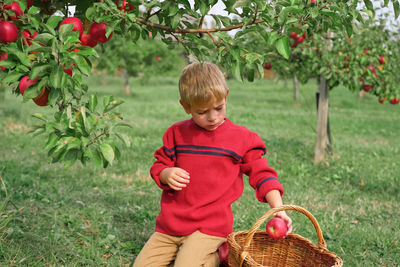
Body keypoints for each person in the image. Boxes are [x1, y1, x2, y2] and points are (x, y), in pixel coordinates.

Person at [133, 62, 292, 267]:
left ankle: (217, 253)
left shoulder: (241, 139)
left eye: (219, 108)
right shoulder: (176, 134)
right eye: (202, 112)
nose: (213, 117)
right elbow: (159, 165)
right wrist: (165, 173)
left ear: (226, 96)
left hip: (209, 228)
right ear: (186, 107)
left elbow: (262, 174)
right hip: (170, 226)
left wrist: (278, 208)